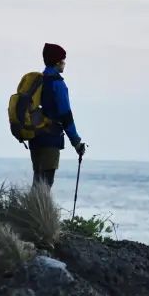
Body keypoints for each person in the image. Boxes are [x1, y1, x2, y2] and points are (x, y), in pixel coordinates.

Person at [29, 42, 86, 188]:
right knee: (46, 183)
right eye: (63, 60)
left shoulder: (38, 81)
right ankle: (38, 211)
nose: (64, 63)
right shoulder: (57, 84)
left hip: (34, 137)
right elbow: (65, 115)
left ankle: (30, 210)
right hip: (50, 138)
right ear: (57, 62)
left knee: (37, 179)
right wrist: (76, 142)